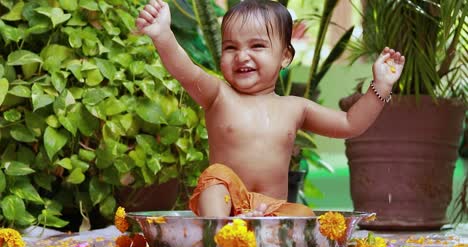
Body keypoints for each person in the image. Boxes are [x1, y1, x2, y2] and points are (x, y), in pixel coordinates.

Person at [136, 0, 405, 217]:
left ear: (285, 56)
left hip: (271, 209)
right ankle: (220, 232)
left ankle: (260, 232)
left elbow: (350, 123)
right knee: (216, 178)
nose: (242, 56)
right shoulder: (218, 95)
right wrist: (163, 35)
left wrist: (380, 86)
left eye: (257, 46)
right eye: (231, 47)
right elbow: (185, 70)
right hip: (225, 205)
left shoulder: (295, 107)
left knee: (304, 215)